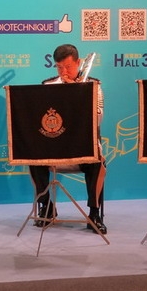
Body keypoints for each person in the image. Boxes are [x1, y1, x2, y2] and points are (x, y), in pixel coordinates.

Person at [29, 43, 107, 234]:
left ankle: (94, 214)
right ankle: (47, 207)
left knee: (97, 162)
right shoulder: (48, 86)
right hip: (54, 147)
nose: (64, 72)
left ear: (79, 63)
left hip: (83, 149)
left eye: (68, 67)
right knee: (33, 159)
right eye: (59, 67)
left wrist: (78, 93)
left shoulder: (93, 86)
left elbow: (98, 119)